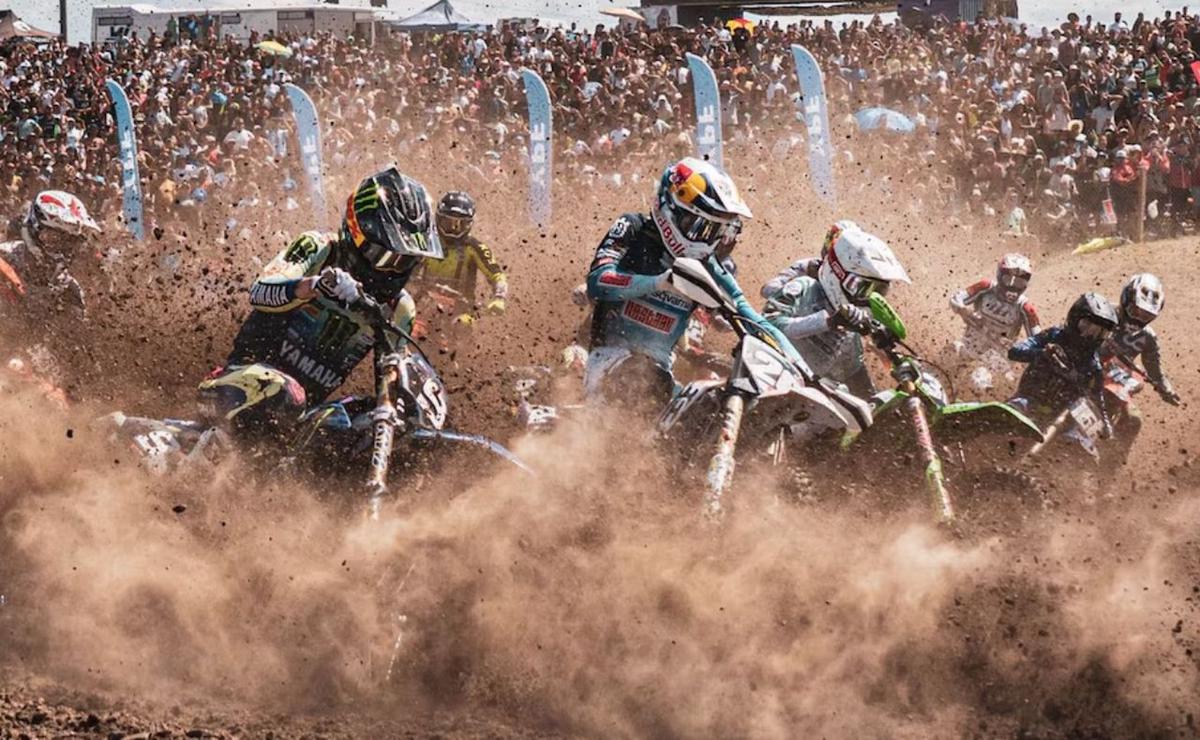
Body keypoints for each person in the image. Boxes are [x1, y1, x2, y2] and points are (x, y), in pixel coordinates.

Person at [199, 166, 443, 439]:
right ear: (359, 236)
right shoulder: (320, 248)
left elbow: (386, 382)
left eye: (407, 261)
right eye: (388, 258)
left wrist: (397, 414)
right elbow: (260, 293)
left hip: (303, 417)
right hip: (239, 384)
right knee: (286, 392)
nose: (395, 270)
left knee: (364, 420)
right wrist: (315, 285)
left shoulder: (399, 308)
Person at [584, 157, 798, 406]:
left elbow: (754, 320)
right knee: (649, 382)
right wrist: (661, 282)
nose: (707, 240)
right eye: (701, 227)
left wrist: (802, 372)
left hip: (662, 375)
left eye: (716, 231)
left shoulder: (707, 266)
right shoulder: (634, 228)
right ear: (671, 208)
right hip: (608, 362)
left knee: (716, 408)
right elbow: (598, 281)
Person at [762, 224, 909, 397]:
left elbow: (855, 378)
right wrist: (829, 321)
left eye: (878, 292)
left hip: (805, 395)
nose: (869, 298)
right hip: (768, 369)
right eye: (864, 288)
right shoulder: (805, 283)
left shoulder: (850, 332)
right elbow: (768, 322)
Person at [1007, 292, 1119, 438]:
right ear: (1075, 318)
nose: (1091, 336)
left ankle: (1069, 450)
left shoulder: (1093, 364)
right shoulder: (1053, 336)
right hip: (1027, 400)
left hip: (1060, 417)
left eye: (1100, 333)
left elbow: (1098, 397)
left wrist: (1105, 424)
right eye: (1087, 327)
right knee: (1014, 408)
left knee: (1078, 434)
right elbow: (1014, 351)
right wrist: (1041, 354)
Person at [1100, 273, 1180, 465]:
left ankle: (1109, 466)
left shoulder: (1147, 338)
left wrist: (1166, 389)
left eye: (1147, 316)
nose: (1139, 319)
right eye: (1136, 311)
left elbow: (1155, 372)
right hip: (1084, 367)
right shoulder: (1102, 311)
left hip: (1115, 382)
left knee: (1134, 418)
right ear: (1126, 300)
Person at [412, 191, 508, 327]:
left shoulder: (474, 247)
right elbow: (408, 269)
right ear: (438, 219)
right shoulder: (427, 242)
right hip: (424, 304)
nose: (453, 229)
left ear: (469, 225)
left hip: (460, 310)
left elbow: (497, 275)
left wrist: (499, 297)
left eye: (459, 225)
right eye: (448, 222)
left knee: (462, 326)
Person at [949, 253, 1041, 392]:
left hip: (997, 357)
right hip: (971, 343)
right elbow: (956, 298)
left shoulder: (1025, 307)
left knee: (978, 380)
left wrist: (1023, 352)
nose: (1013, 285)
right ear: (999, 275)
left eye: (1019, 282)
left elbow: (1038, 339)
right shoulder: (985, 287)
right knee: (950, 352)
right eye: (1008, 279)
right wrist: (964, 311)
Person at [0, 190, 101, 313]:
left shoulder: (68, 290)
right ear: (34, 230)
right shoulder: (4, 258)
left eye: (70, 242)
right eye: (54, 238)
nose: (61, 248)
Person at [759, 220, 857, 300]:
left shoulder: (854, 282)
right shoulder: (809, 266)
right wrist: (802, 288)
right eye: (832, 240)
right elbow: (768, 289)